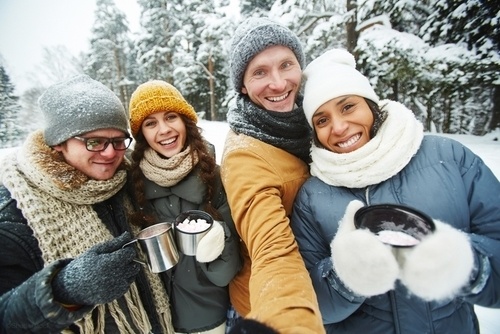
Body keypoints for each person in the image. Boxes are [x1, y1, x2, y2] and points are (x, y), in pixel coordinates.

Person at [291, 48, 500, 333]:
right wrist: (346, 276)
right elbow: (311, 305)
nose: (338, 127)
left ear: (371, 104)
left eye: (348, 106)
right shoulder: (312, 197)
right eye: (322, 120)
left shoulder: (450, 158)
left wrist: (466, 262)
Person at [0, 75, 175, 333]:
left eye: (118, 141)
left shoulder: (128, 180)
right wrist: (64, 290)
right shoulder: (16, 214)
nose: (110, 153)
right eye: (94, 141)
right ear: (59, 142)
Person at [220, 17, 325, 334]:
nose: (278, 84)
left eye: (286, 65)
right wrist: (285, 325)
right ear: (242, 85)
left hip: (325, 296)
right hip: (266, 304)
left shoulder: (315, 120)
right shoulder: (245, 155)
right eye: (260, 72)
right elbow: (273, 251)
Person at [128, 80, 242, 334]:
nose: (164, 130)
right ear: (141, 135)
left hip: (208, 319)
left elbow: (225, 273)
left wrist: (220, 237)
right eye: (150, 123)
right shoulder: (131, 184)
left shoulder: (216, 177)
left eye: (171, 117)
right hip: (153, 321)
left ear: (186, 122)